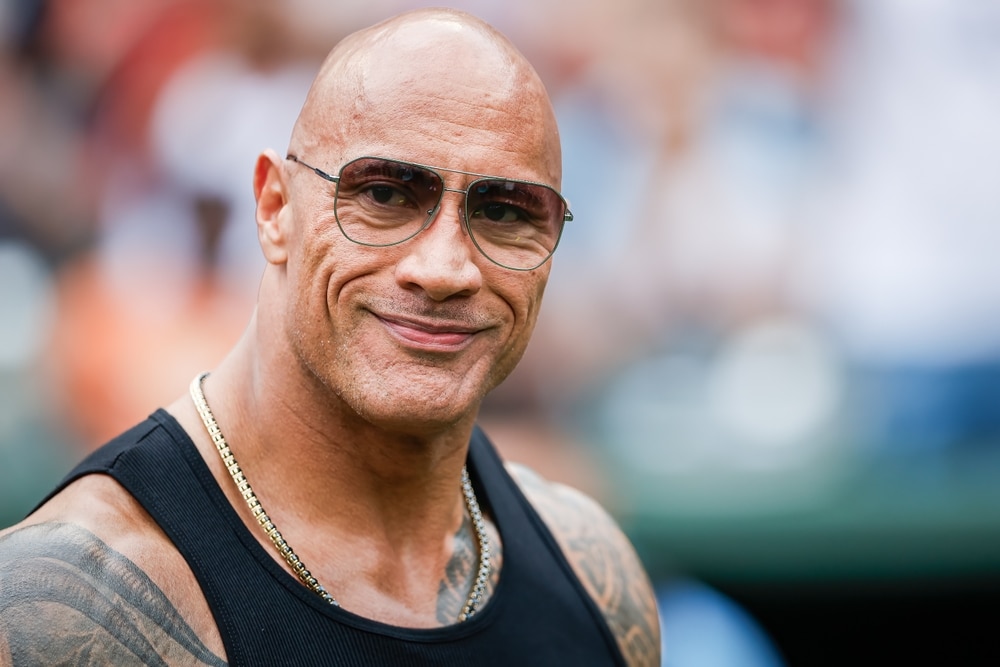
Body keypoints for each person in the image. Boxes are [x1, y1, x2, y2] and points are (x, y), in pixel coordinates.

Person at [0, 8, 661, 666]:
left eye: (503, 211)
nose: (444, 269)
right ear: (274, 208)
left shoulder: (592, 575)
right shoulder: (68, 601)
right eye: (384, 195)